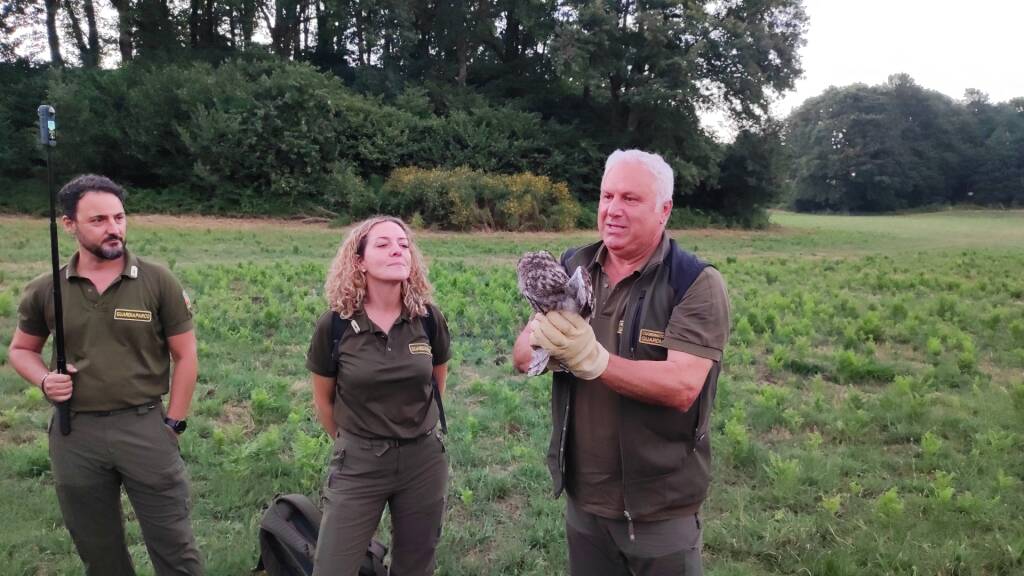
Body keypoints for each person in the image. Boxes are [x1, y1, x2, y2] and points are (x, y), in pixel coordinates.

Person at [513, 150, 731, 575]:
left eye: (630, 199)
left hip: (660, 508)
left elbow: (682, 386)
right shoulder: (574, 265)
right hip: (585, 499)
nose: (612, 209)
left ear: (663, 210)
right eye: (606, 195)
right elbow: (522, 357)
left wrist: (593, 359)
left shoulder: (694, 281)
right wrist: (546, 343)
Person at [8, 174, 203, 575]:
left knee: (175, 547)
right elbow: (22, 350)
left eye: (119, 217)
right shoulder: (47, 289)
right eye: (98, 220)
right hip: (75, 433)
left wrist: (174, 423)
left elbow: (185, 355)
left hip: (145, 426)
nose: (114, 228)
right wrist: (45, 379)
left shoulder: (156, 281)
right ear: (69, 225)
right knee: (99, 552)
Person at [307, 216, 451, 576]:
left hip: (423, 461)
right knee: (333, 567)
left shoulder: (428, 320)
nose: (397, 250)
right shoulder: (336, 325)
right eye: (383, 244)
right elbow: (324, 401)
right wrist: (353, 444)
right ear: (359, 261)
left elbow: (436, 385)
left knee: (415, 566)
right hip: (359, 464)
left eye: (403, 244)